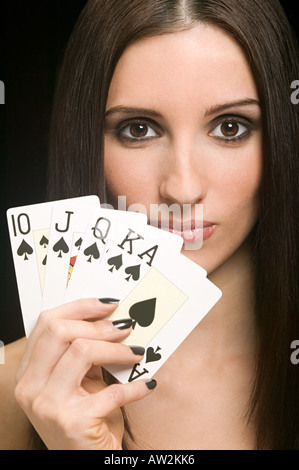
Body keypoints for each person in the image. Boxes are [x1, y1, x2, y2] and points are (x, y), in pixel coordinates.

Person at [1, 0, 298, 450]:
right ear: (87, 142)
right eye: (138, 129)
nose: (183, 188)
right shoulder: (10, 387)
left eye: (231, 128)